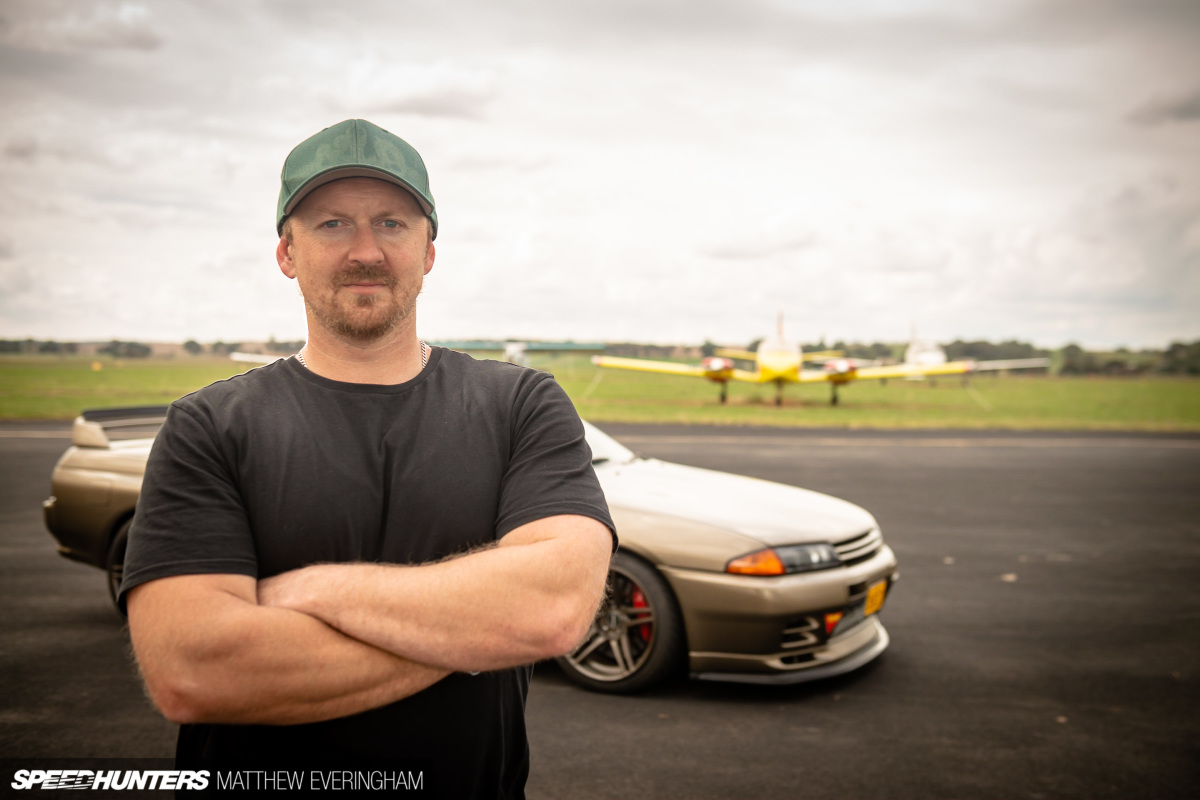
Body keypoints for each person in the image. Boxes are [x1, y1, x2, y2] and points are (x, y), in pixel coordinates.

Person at [120, 119, 616, 799]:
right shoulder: (208, 425)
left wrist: (310, 594)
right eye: (330, 225)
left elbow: (553, 607)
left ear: (428, 252)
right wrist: (475, 629)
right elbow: (194, 671)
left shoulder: (520, 404)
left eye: (391, 223)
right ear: (286, 253)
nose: (365, 251)